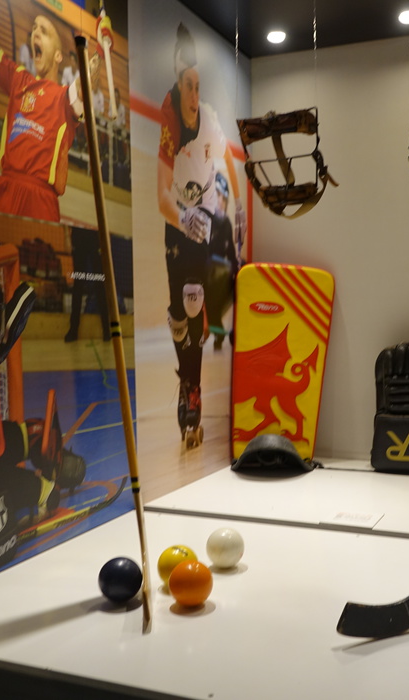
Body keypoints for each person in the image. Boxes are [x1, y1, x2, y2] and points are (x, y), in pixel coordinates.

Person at [0, 267, 78, 573]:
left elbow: (19, 305)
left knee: (28, 435)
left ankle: (42, 449)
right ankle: (46, 484)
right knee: (46, 494)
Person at [156, 23, 245, 446]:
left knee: (194, 303)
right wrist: (181, 218)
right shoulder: (169, 122)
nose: (194, 94)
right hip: (177, 222)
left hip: (204, 221)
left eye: (198, 86)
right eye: (187, 86)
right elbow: (161, 197)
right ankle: (186, 380)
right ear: (178, 86)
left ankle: (191, 391)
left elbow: (228, 160)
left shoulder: (209, 119)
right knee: (178, 319)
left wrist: (238, 208)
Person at [0, 0, 100, 223]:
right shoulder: (19, 80)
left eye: (43, 31)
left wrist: (101, 50)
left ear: (58, 56)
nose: (35, 33)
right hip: (6, 189)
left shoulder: (65, 97)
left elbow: (87, 81)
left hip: (41, 199)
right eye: (34, 28)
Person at [205, 172, 240, 350]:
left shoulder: (226, 223)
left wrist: (238, 270)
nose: (220, 202)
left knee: (241, 268)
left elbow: (231, 254)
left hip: (220, 277)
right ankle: (216, 332)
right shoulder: (205, 220)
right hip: (206, 277)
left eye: (223, 198)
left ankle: (231, 329)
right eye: (216, 196)